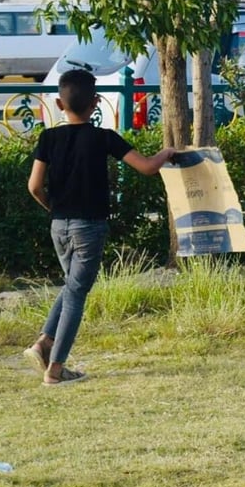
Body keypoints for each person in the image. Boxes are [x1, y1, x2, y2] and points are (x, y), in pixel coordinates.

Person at [24, 69, 175, 384]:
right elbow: (148, 167)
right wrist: (167, 152)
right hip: (89, 227)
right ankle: (55, 370)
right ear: (96, 103)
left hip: (58, 226)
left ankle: (44, 342)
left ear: (58, 104)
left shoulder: (48, 138)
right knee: (76, 293)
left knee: (72, 286)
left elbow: (34, 187)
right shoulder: (104, 138)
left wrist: (54, 209)